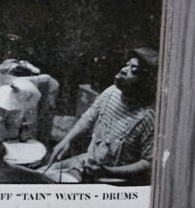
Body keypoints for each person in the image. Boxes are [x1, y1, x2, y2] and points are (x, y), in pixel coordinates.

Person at [43, 47, 157, 184]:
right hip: (88, 162)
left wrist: (108, 171)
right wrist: (67, 140)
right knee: (41, 174)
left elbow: (148, 163)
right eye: (127, 65)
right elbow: (89, 116)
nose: (123, 70)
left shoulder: (148, 117)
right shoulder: (111, 92)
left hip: (113, 179)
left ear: (145, 82)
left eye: (133, 70)